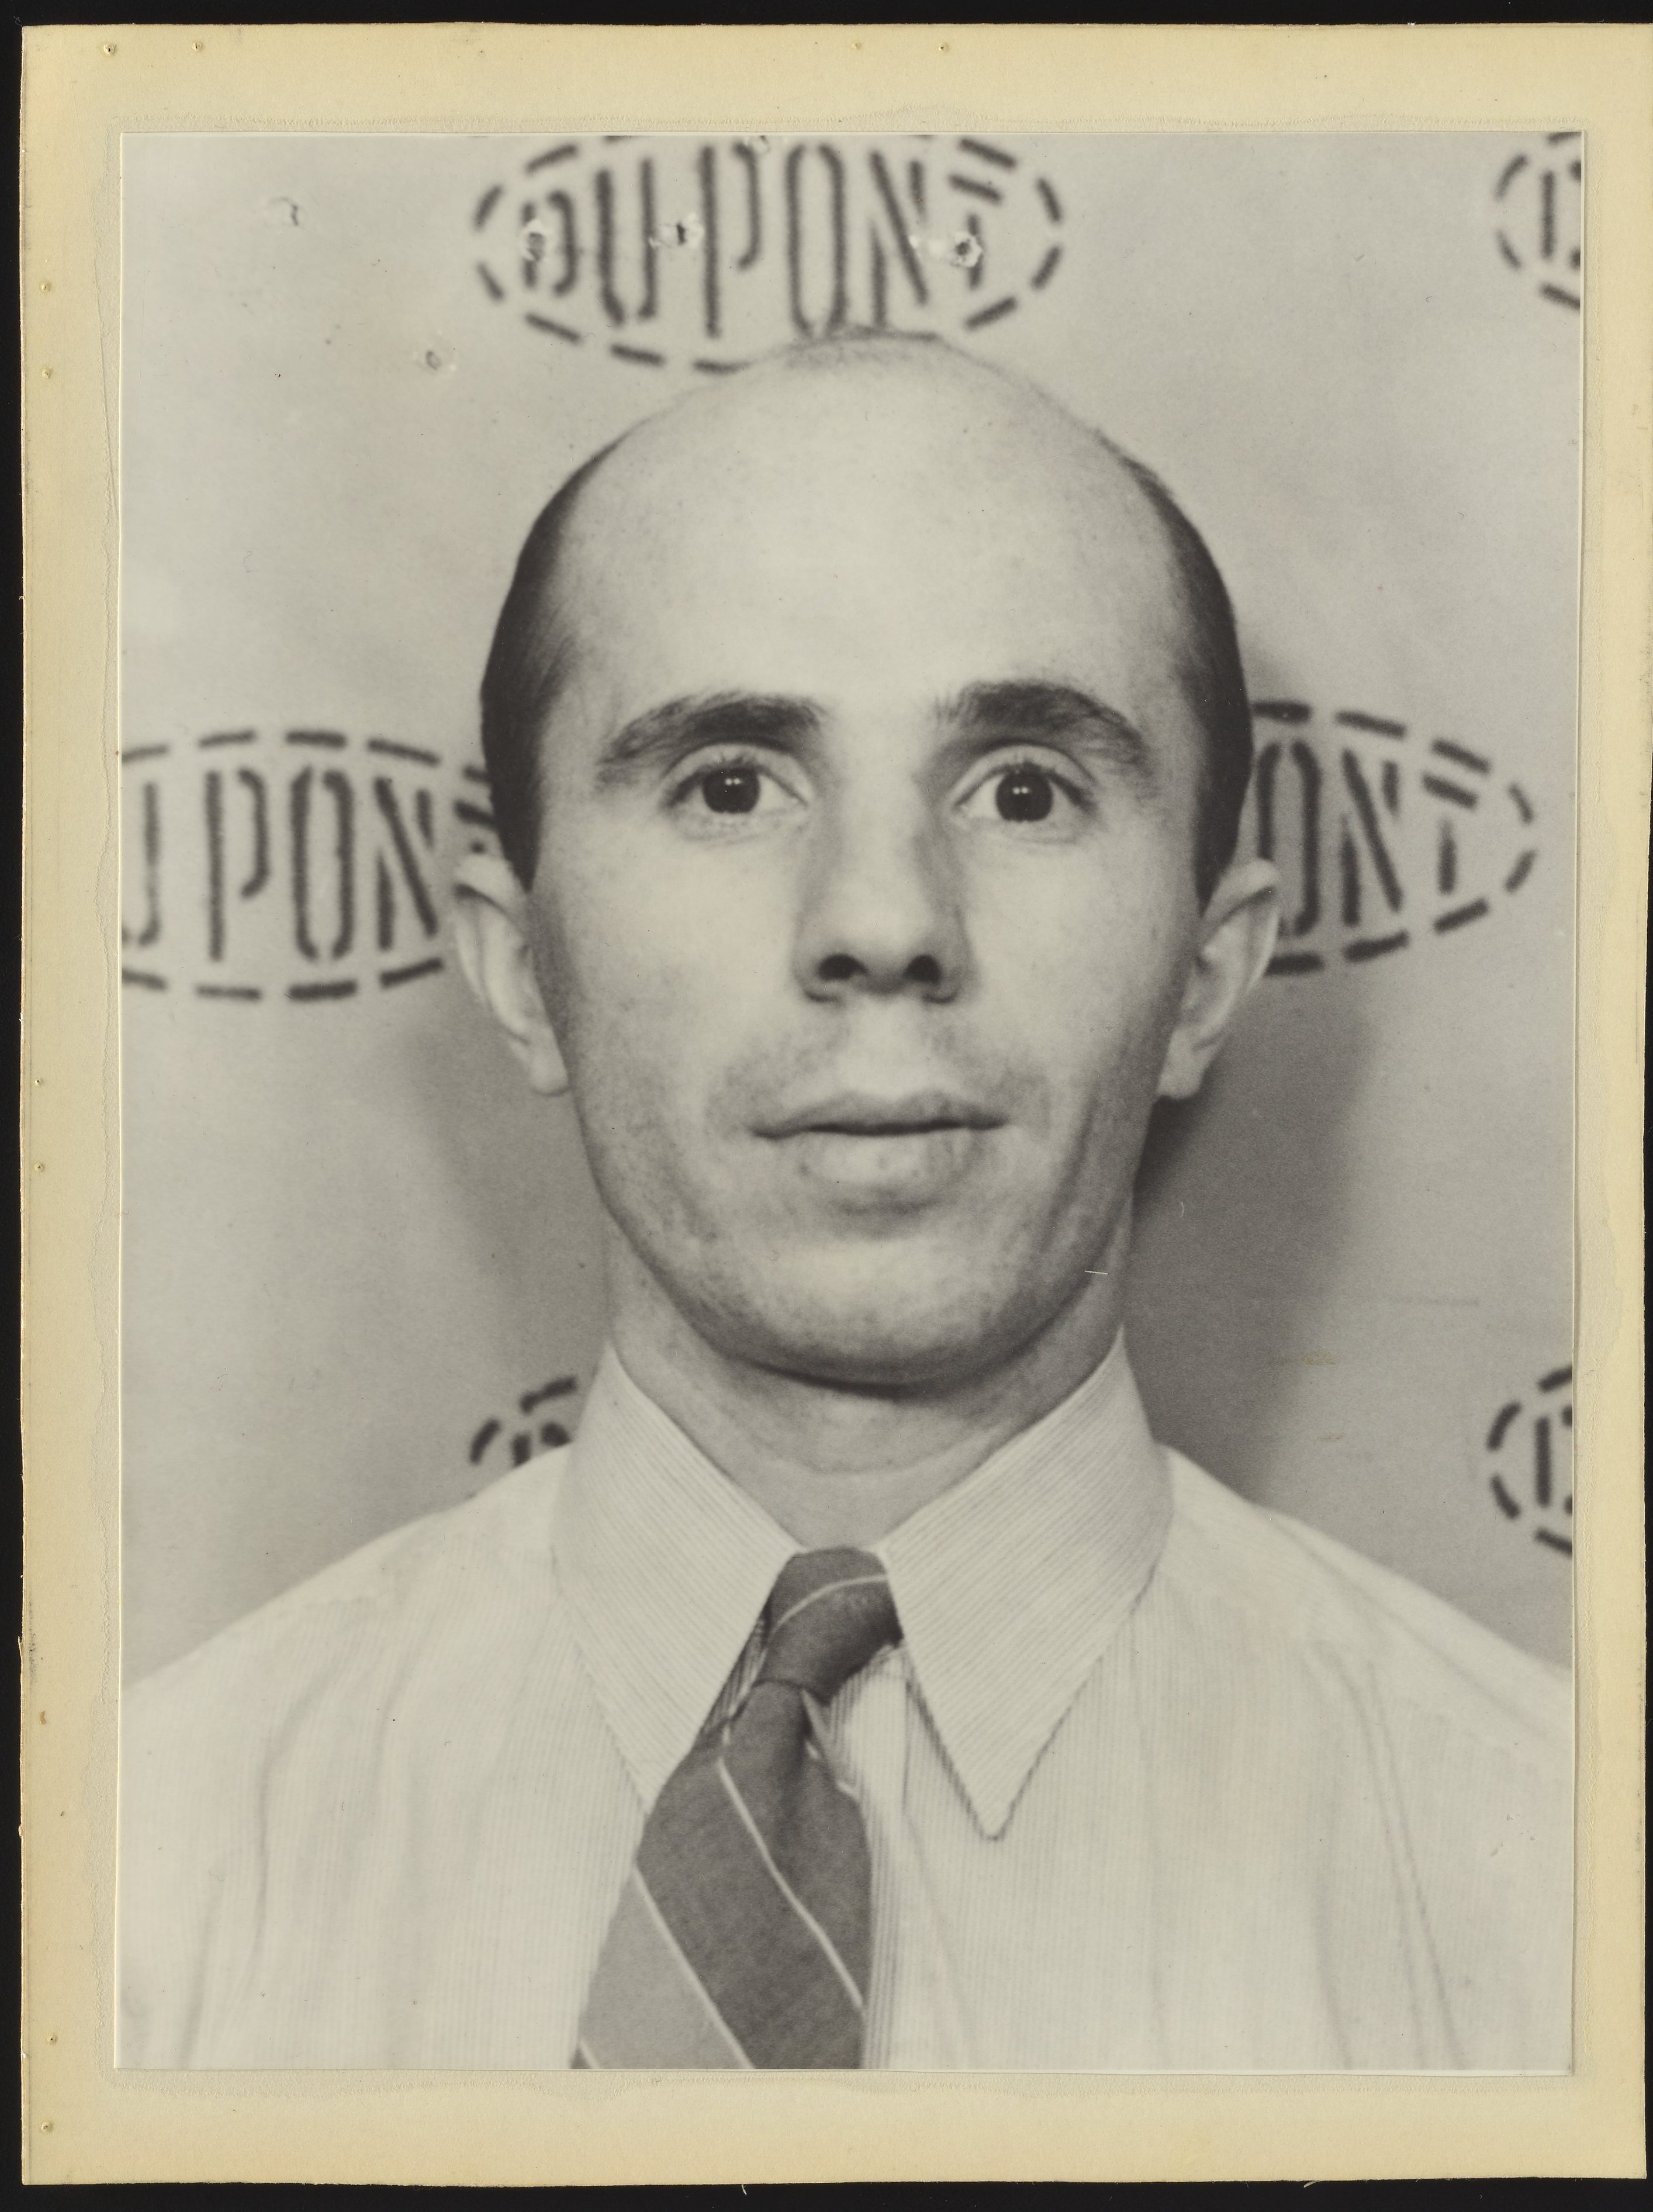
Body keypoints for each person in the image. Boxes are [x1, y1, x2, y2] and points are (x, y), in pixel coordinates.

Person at [119, 332, 1571, 2072]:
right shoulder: (134, 1889)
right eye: (731, 786)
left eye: (1024, 790)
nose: (885, 922)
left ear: (1206, 973)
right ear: (519, 971)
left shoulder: (1563, 1901)